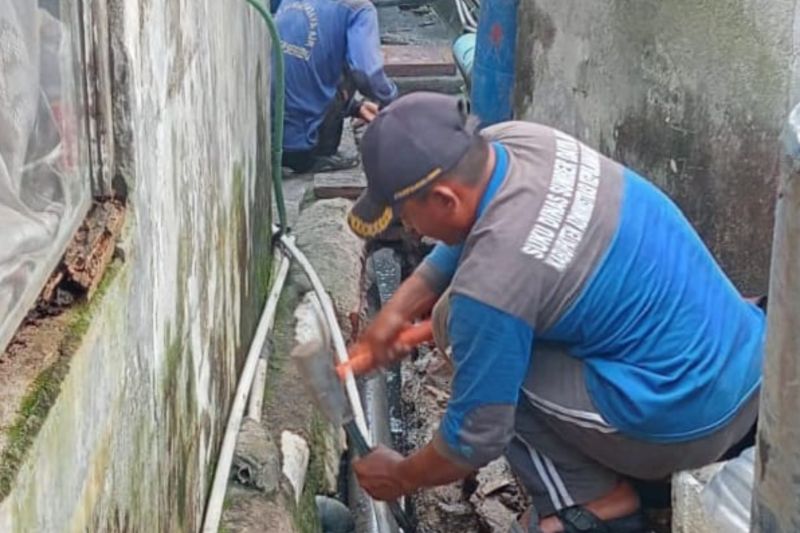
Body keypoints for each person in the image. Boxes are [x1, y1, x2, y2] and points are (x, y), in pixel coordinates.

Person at [345, 92, 764, 532]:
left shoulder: (489, 289)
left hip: (691, 418)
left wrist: (400, 475)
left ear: (446, 199)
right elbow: (481, 228)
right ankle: (628, 469)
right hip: (748, 365)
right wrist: (396, 311)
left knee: (490, 366)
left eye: (407, 216)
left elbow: (473, 439)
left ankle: (593, 504)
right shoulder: (521, 142)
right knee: (466, 325)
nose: (409, 229)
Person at [276, 0, 397, 174]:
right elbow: (366, 74)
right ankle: (322, 153)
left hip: (270, 138)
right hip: (303, 148)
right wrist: (392, 102)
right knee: (355, 59)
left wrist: (356, 107)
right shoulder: (359, 8)